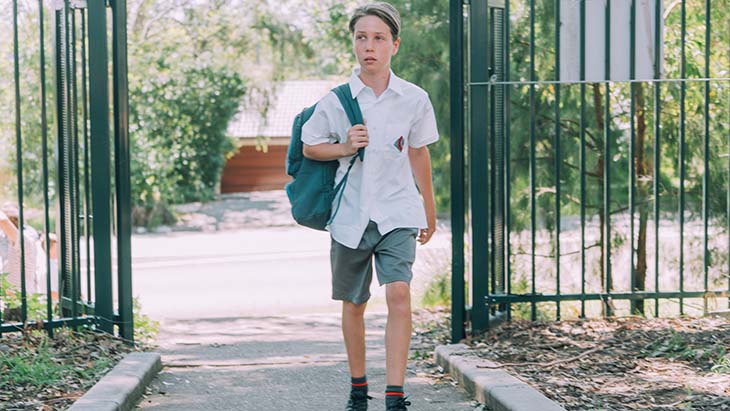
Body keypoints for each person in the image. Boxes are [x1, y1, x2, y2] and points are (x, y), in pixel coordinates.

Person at [301, 3, 438, 410]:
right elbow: (310, 145)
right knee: (355, 302)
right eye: (362, 37)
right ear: (354, 43)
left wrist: (429, 210)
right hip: (351, 216)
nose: (369, 46)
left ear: (394, 44)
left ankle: (395, 395)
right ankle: (358, 387)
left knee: (399, 293)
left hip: (397, 211)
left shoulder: (413, 99)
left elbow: (419, 153)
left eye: (379, 38)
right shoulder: (336, 101)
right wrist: (344, 146)